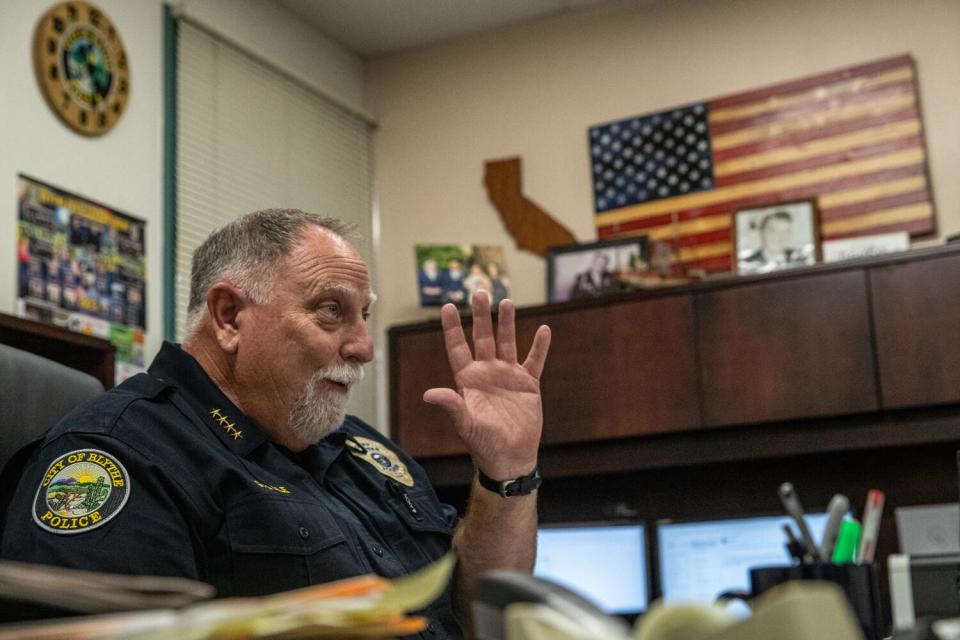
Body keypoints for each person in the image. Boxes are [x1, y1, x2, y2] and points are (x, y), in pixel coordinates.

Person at [0, 209, 552, 638]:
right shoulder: (118, 455)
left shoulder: (362, 447)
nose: (363, 347)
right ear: (229, 317)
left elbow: (481, 614)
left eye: (365, 314)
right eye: (331, 310)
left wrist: (508, 472)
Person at [738, 210, 814, 275]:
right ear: (762, 232)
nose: (779, 237)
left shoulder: (801, 260)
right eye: (773, 231)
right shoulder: (746, 264)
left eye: (785, 232)